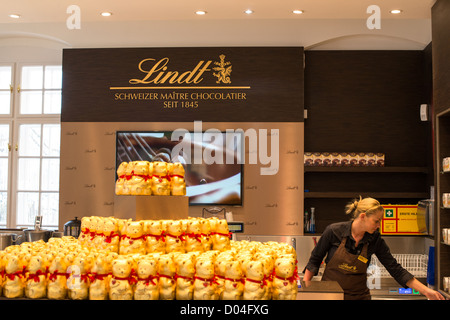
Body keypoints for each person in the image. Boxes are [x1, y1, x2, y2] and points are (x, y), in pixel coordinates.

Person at [303, 196, 445, 300]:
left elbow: (395, 269)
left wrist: (426, 291)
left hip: (360, 297)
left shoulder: (374, 239)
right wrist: (304, 292)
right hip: (330, 297)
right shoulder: (333, 231)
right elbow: (314, 261)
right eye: (376, 221)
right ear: (363, 216)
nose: (379, 226)